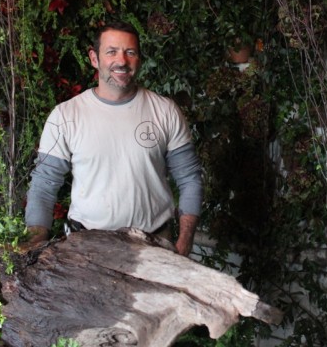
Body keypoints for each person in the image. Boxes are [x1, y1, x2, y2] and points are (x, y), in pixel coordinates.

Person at [24, 21, 203, 256]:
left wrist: (185, 240)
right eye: (112, 52)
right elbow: (43, 186)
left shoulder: (165, 111)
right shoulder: (65, 116)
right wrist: (34, 245)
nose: (122, 61)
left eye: (130, 52)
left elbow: (189, 177)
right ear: (94, 58)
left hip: (156, 247)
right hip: (87, 249)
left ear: (139, 59)